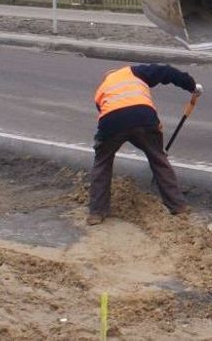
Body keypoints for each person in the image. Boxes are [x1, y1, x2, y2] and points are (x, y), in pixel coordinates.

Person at [87, 63, 202, 225]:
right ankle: (177, 205)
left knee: (102, 163)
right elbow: (166, 72)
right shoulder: (133, 72)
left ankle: (96, 213)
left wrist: (100, 144)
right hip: (144, 117)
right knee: (158, 159)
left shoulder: (101, 90)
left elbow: (106, 114)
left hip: (112, 123)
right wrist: (191, 85)